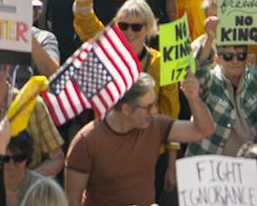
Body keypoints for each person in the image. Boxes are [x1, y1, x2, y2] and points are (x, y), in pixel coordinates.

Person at [64, 74, 215, 206]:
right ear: (126, 109)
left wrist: (193, 99)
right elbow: (73, 201)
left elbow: (204, 130)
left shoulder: (154, 126)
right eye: (148, 107)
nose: (154, 111)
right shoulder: (87, 141)